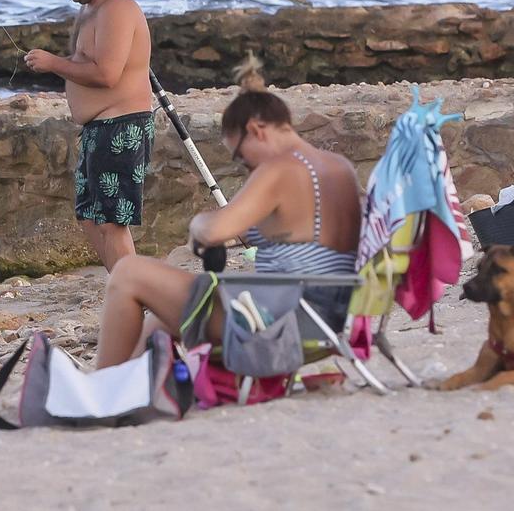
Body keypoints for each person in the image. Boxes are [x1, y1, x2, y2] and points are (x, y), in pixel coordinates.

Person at [92, 60, 360, 367]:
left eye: (242, 158)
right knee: (159, 321)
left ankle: (101, 392)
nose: (247, 168)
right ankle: (125, 389)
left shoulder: (280, 167)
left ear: (256, 130)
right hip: (332, 317)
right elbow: (299, 234)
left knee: (128, 273)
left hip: (287, 323)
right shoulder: (340, 168)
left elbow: (215, 231)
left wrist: (198, 226)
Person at [22, 0, 154, 269]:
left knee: (112, 220)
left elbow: (107, 74)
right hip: (99, 128)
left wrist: (53, 63)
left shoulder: (117, 9)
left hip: (122, 126)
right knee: (90, 216)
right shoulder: (91, 8)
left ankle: (134, 293)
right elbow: (85, 60)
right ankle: (123, 286)